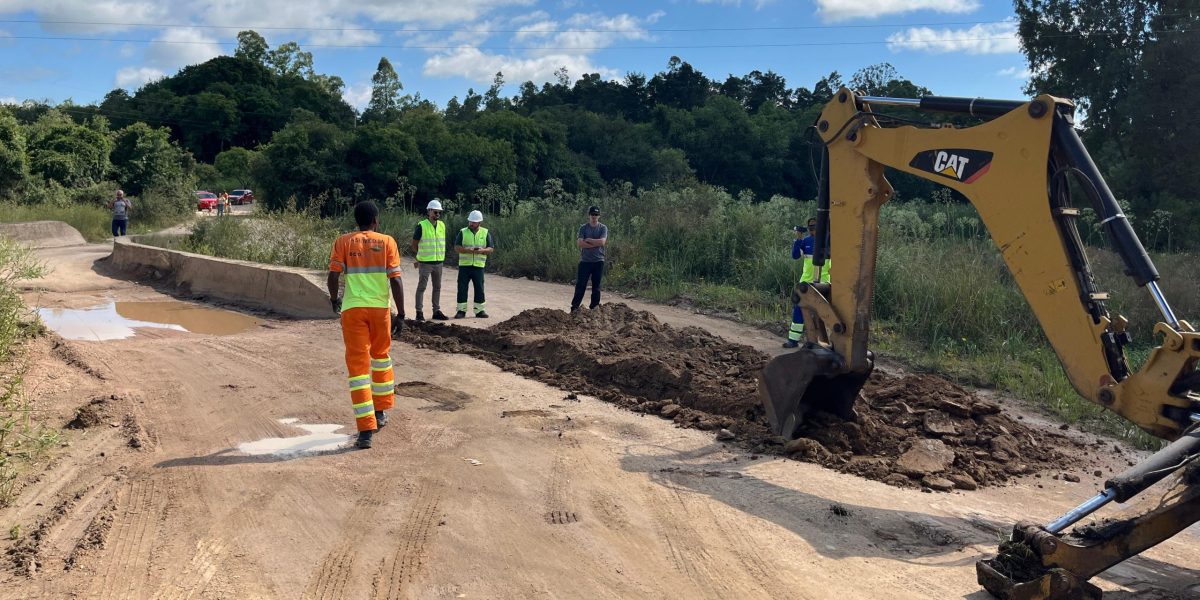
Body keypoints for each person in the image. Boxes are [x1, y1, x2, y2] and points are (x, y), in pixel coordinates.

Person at [327, 201, 405, 450]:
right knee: (381, 358)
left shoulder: (343, 242)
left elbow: (333, 275)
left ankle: (365, 432)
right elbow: (396, 279)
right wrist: (401, 313)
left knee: (359, 371)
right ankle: (381, 411)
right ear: (376, 220)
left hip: (353, 310)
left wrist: (333, 299)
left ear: (356, 220)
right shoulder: (387, 242)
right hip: (380, 310)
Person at [784, 218, 832, 348]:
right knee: (798, 310)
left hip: (823, 284)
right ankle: (793, 340)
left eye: (814, 227)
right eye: (810, 227)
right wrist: (798, 239)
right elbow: (795, 256)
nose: (812, 230)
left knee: (825, 313)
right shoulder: (806, 241)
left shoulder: (830, 241)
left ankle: (825, 342)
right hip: (805, 283)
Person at [410, 199, 449, 322]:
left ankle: (436, 311)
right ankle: (419, 312)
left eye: (439, 212)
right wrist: (420, 256)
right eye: (435, 212)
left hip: (438, 262)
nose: (437, 214)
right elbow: (414, 244)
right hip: (425, 263)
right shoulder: (422, 225)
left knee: (437, 287)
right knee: (422, 287)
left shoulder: (442, 225)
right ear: (429, 211)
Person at [453, 210, 495, 319]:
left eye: (474, 222)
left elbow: (491, 249)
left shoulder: (485, 233)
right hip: (464, 266)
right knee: (462, 288)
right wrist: (468, 250)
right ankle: (461, 311)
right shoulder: (462, 232)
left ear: (479, 222)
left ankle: (480, 311)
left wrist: (482, 250)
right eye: (470, 221)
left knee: (479, 288)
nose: (471, 224)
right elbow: (456, 247)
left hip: (478, 266)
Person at [570, 205, 608, 313]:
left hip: (598, 261)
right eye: (592, 214)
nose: (594, 217)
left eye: (596, 215)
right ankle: (575, 307)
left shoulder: (603, 228)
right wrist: (595, 244)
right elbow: (580, 243)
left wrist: (589, 240)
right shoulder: (583, 228)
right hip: (585, 261)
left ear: (599, 216)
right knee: (580, 285)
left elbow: (602, 242)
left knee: (596, 286)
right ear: (589, 215)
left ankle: (594, 308)